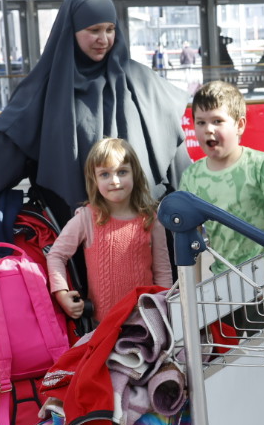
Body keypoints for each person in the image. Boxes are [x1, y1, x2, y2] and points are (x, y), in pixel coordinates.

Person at [0, 0, 189, 233]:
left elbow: (174, 153)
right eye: (94, 30)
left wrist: (192, 209)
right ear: (70, 30)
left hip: (145, 229)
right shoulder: (46, 90)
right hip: (78, 231)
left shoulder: (141, 81)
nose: (104, 39)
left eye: (110, 29)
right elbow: (7, 153)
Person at [46, 136, 173, 327]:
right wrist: (61, 293)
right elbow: (56, 255)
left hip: (146, 322)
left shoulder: (151, 219)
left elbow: (162, 271)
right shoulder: (87, 217)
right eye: (105, 174)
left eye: (122, 172)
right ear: (94, 179)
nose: (114, 181)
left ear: (135, 174)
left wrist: (166, 311)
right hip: (103, 325)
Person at [179, 79, 264, 277]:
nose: (208, 129)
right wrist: (194, 291)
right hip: (225, 280)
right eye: (201, 122)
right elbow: (191, 239)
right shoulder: (191, 176)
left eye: (217, 121)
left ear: (239, 125)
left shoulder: (261, 165)